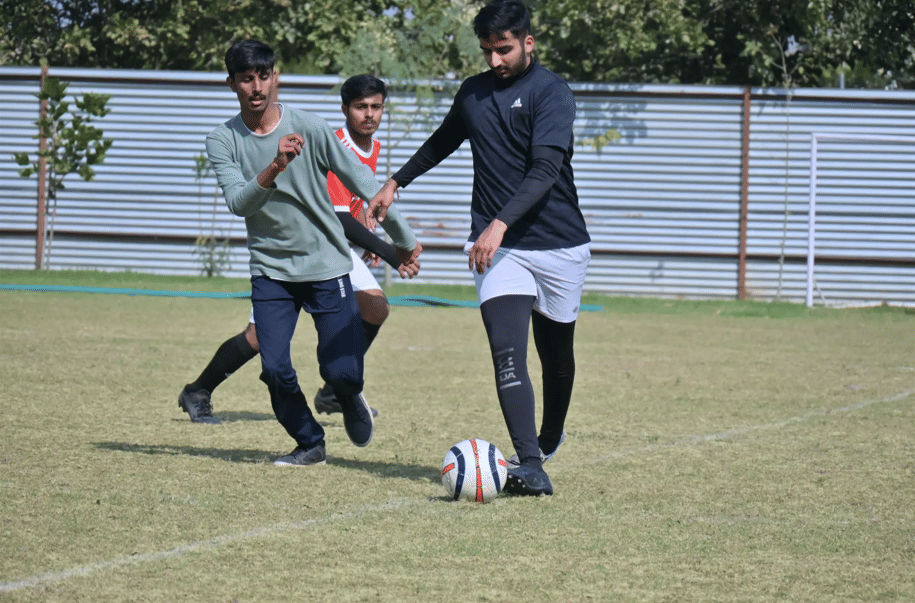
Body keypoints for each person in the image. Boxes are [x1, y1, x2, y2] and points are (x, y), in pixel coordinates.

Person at [368, 0, 590, 496]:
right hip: (497, 251)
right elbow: (444, 139)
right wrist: (395, 182)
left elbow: (544, 170)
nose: (495, 61)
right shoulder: (473, 93)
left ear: (528, 42)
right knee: (506, 348)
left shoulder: (552, 93)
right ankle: (531, 464)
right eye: (487, 51)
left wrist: (500, 223)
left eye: (504, 50)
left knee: (557, 356)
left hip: (558, 245)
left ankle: (549, 436)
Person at [203, 40, 420, 466]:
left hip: (325, 266)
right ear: (231, 84)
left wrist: (405, 242)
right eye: (246, 79)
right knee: (274, 368)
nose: (256, 87)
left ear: (276, 76)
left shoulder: (312, 128)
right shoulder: (222, 140)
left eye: (264, 76)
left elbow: (366, 185)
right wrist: (274, 167)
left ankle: (348, 393)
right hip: (271, 270)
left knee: (340, 371)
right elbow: (238, 203)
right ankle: (310, 442)